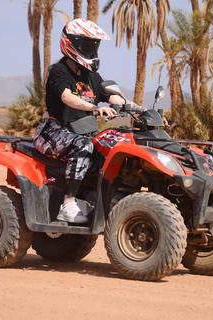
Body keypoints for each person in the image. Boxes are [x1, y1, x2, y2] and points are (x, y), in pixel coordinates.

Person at [33, 19, 127, 224]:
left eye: (94, 47)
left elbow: (111, 95)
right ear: (71, 44)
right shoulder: (58, 71)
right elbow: (67, 96)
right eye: (87, 47)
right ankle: (68, 204)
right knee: (84, 147)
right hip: (52, 131)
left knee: (114, 145)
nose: (92, 53)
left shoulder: (90, 75)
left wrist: (139, 109)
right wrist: (94, 107)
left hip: (77, 131)